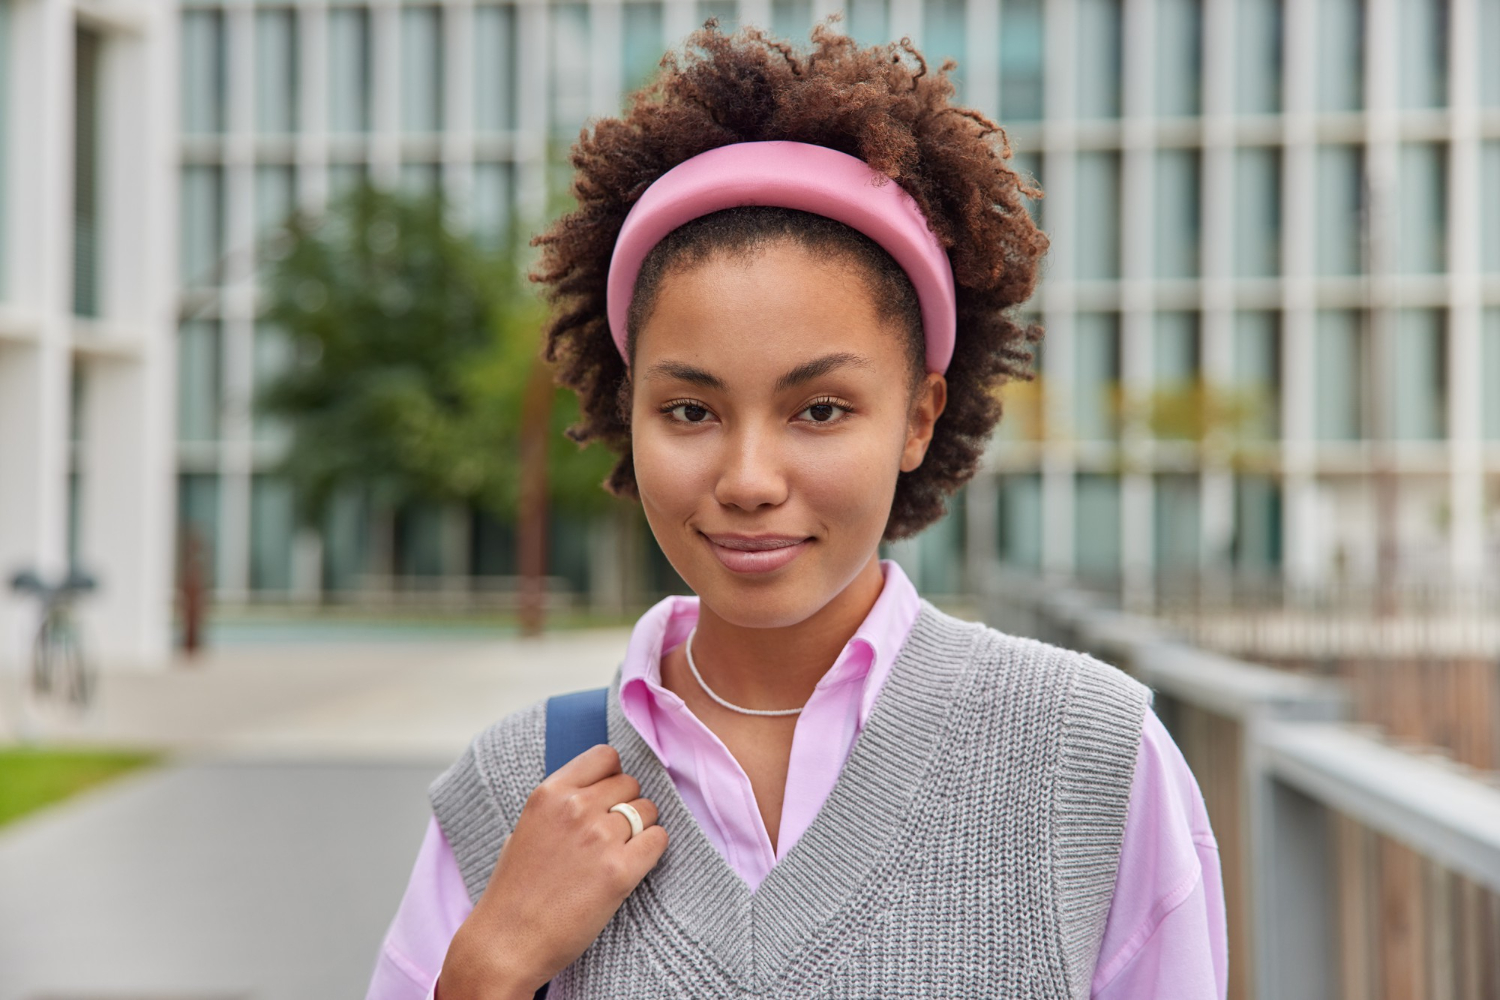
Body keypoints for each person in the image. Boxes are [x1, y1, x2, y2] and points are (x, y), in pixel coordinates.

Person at [367, 22, 1226, 1000]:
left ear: (918, 417)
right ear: (626, 409)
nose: (748, 477)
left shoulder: (1092, 756)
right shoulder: (515, 785)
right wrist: (484, 973)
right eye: (690, 410)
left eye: (819, 409)